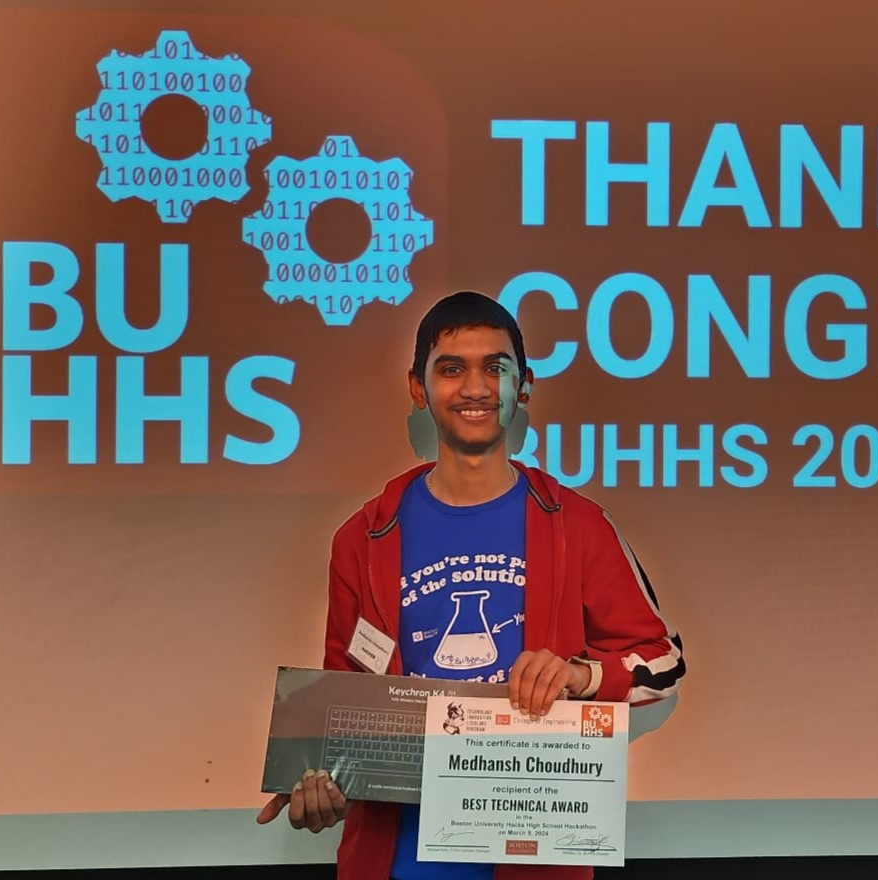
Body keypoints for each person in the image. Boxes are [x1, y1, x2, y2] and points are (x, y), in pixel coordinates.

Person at [257, 291, 686, 880]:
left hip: (534, 859)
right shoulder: (362, 537)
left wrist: (580, 674)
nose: (476, 387)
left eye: (496, 367)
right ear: (418, 388)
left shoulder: (578, 527)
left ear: (524, 386)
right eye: (452, 368)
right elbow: (345, 702)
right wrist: (318, 781)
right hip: (394, 860)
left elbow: (664, 663)